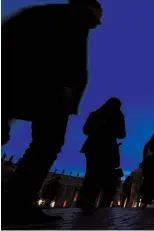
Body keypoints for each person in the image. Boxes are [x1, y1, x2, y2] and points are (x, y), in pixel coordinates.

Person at [1, 0, 103, 225]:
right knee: (47, 144)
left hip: (17, 85)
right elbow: (69, 58)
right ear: (90, 9)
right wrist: (67, 88)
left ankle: (15, 204)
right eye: (98, 16)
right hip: (49, 92)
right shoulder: (74, 21)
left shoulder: (42, 14)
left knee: (42, 144)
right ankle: (17, 205)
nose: (99, 22)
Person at [77, 97, 126, 214]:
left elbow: (85, 130)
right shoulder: (117, 115)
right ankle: (101, 205)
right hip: (107, 148)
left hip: (92, 146)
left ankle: (87, 199)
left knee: (91, 174)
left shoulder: (95, 114)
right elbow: (122, 134)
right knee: (106, 177)